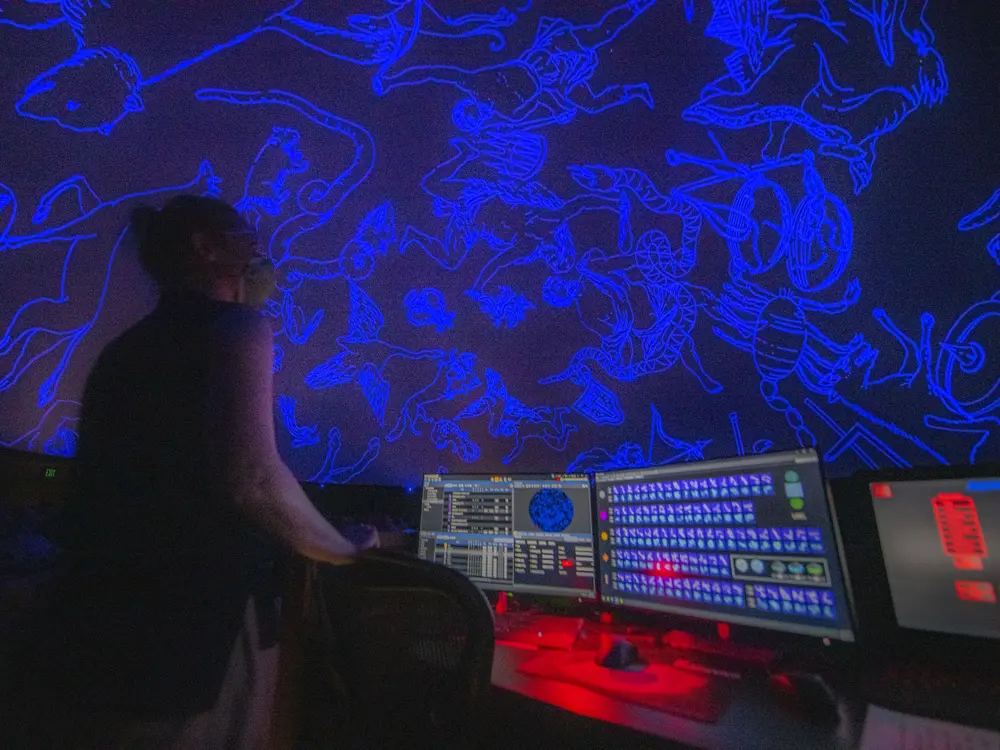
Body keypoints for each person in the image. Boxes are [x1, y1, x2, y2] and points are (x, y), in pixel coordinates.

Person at [10, 195, 377, 749]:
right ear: (204, 248)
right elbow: (252, 477)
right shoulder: (238, 327)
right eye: (243, 233)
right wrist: (343, 549)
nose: (258, 246)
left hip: (99, 632)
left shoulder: (121, 352)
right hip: (189, 636)